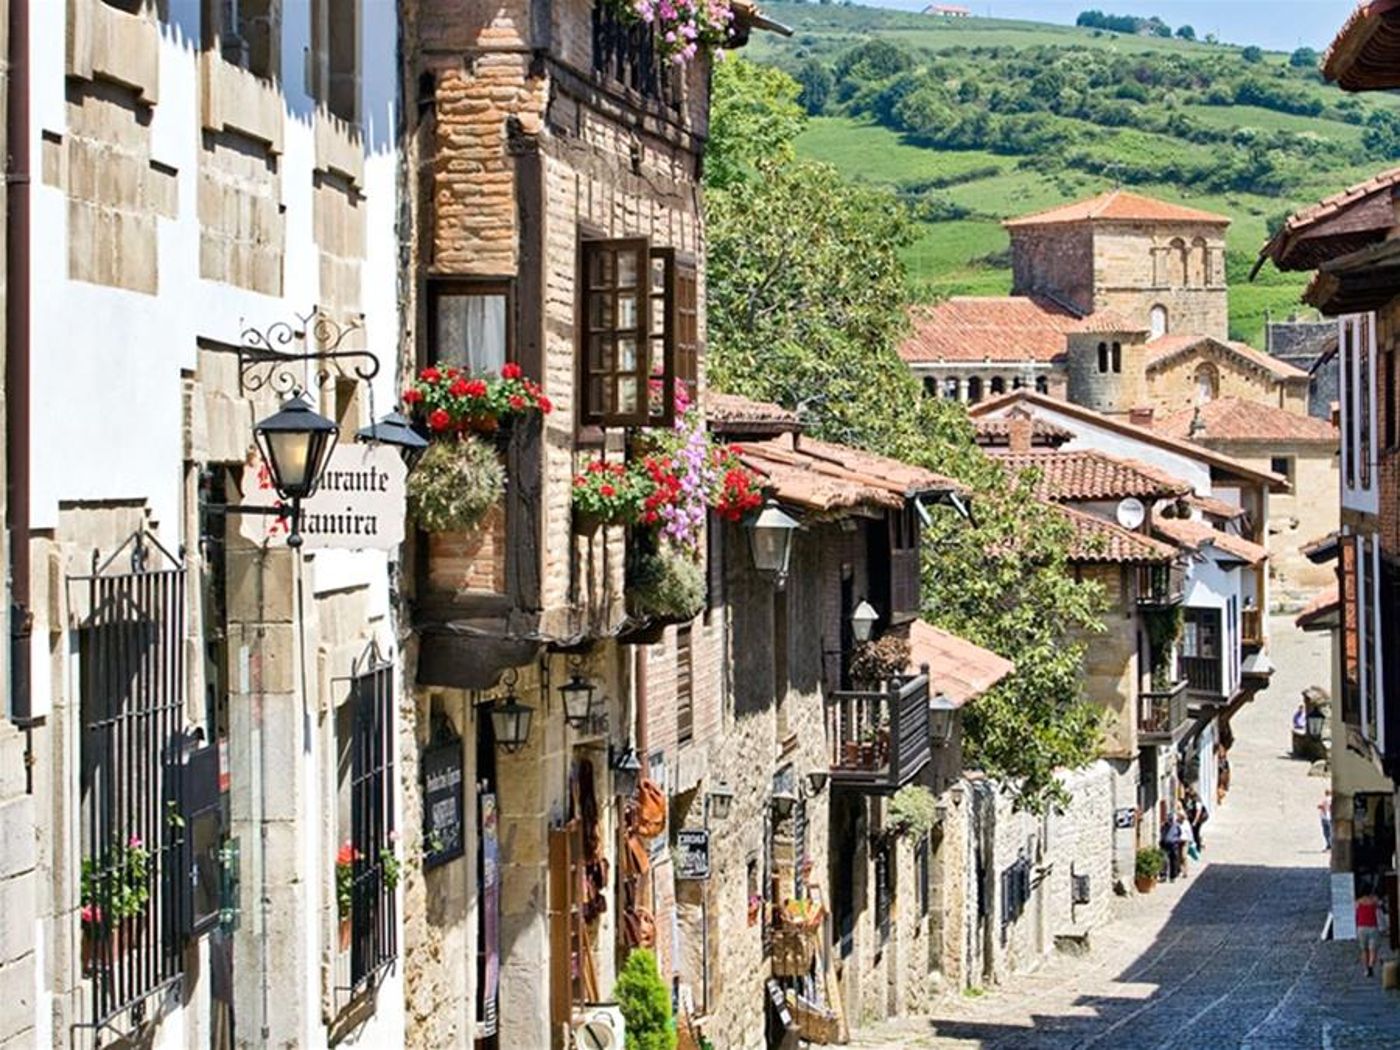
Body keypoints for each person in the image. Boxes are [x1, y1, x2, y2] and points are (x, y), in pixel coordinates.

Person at [1356, 884, 1384, 977]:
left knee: (1364, 950)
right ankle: (1371, 966)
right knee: (1373, 949)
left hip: (1361, 928)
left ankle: (1366, 968)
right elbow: (1381, 905)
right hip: (1373, 927)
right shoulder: (1374, 901)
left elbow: (1355, 914)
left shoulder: (1358, 902)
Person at [1161, 812, 1183, 881]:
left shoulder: (1177, 826)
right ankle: (1163, 875)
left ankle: (1173, 876)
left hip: (1174, 844)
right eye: (1168, 819)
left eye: (1171, 819)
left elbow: (1179, 833)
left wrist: (1176, 840)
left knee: (1173, 860)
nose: (1169, 821)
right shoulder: (1164, 825)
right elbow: (1162, 832)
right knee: (1164, 859)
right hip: (1165, 844)